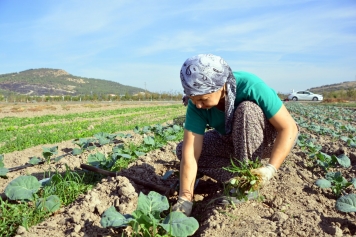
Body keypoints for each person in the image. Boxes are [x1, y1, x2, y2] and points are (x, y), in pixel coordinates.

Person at [172, 54, 299, 216]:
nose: (198, 104)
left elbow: (289, 128)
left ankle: (246, 186)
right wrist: (185, 198)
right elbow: (191, 153)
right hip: (231, 138)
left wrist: (271, 169)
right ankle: (239, 177)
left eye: (203, 99)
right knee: (182, 150)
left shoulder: (250, 85)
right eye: (193, 99)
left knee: (247, 110)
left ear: (221, 86)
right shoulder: (196, 105)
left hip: (269, 138)